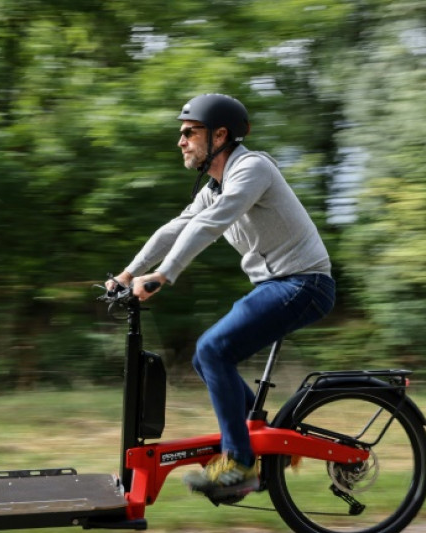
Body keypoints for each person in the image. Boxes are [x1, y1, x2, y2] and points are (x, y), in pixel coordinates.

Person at [106, 93, 335, 500]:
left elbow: (210, 225)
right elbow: (176, 228)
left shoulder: (252, 169)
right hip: (277, 286)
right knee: (206, 355)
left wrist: (163, 275)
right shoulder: (215, 186)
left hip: (304, 283)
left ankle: (241, 464)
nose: (181, 141)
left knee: (213, 350)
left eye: (189, 133)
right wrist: (126, 274)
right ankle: (262, 442)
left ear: (220, 135)